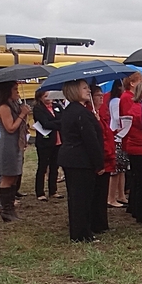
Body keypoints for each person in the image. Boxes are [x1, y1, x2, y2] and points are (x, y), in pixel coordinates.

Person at [58, 80, 105, 243]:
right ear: (74, 91)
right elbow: (90, 140)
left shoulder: (73, 110)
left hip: (73, 159)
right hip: (80, 160)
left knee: (78, 197)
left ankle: (81, 231)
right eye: (84, 88)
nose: (88, 91)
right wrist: (99, 163)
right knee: (81, 198)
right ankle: (81, 234)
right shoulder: (80, 112)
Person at [0, 81, 31, 222]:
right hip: (7, 145)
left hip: (15, 144)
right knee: (7, 177)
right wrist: (22, 114)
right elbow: (10, 128)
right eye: (15, 89)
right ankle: (6, 210)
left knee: (14, 176)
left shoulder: (14, 105)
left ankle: (10, 206)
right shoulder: (4, 107)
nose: (17, 92)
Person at [121, 79, 142, 223]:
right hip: (141, 148)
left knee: (138, 180)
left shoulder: (135, 107)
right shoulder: (141, 110)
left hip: (135, 147)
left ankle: (136, 208)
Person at [90, 86, 113, 234]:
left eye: (101, 95)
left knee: (103, 192)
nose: (101, 98)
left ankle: (102, 222)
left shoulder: (99, 113)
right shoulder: (91, 115)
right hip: (102, 157)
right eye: (97, 95)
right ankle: (97, 223)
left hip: (108, 157)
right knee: (98, 193)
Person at [32, 88, 62, 201]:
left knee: (55, 166)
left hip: (58, 140)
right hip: (45, 141)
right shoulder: (38, 109)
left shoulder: (57, 106)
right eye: (45, 96)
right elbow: (45, 124)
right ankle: (40, 192)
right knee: (43, 166)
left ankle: (53, 190)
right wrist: (58, 123)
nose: (49, 98)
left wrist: (55, 123)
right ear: (40, 98)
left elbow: (64, 119)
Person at [105, 80, 127, 208]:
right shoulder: (116, 101)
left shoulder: (115, 100)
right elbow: (117, 117)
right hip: (117, 135)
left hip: (120, 135)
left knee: (121, 169)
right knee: (116, 170)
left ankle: (121, 195)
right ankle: (111, 197)